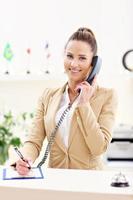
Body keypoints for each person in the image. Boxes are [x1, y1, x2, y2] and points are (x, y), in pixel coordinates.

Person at [13, 27, 118, 175]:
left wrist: (84, 104)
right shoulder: (48, 96)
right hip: (56, 179)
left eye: (82, 58)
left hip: (90, 182)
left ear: (93, 64)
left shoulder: (107, 96)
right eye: (69, 56)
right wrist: (26, 159)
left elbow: (98, 148)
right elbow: (34, 140)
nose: (74, 64)